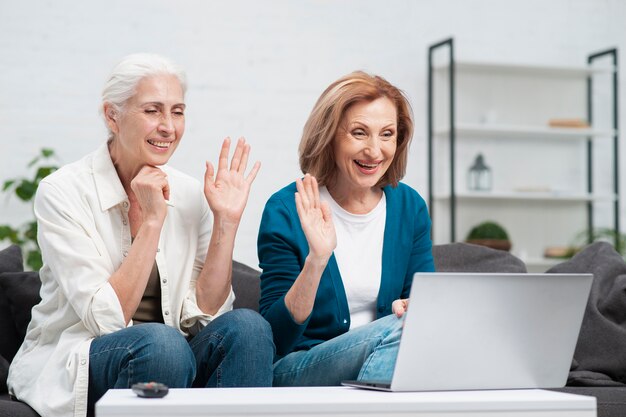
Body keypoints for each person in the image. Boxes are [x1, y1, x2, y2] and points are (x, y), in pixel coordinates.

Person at [8, 53, 275, 417]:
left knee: (249, 328)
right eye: (153, 111)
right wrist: (151, 221)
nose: (169, 126)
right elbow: (105, 320)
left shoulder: (190, 193)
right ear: (112, 116)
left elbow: (206, 315)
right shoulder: (63, 192)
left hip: (174, 353)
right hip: (88, 356)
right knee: (163, 345)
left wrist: (226, 220)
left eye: (177, 112)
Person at [257, 71, 435, 386]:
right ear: (330, 136)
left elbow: (424, 305)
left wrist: (411, 307)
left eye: (387, 134)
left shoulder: (410, 208)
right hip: (299, 366)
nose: (375, 151)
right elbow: (275, 339)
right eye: (359, 132)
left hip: (387, 352)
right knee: (399, 332)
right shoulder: (286, 209)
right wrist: (317, 259)